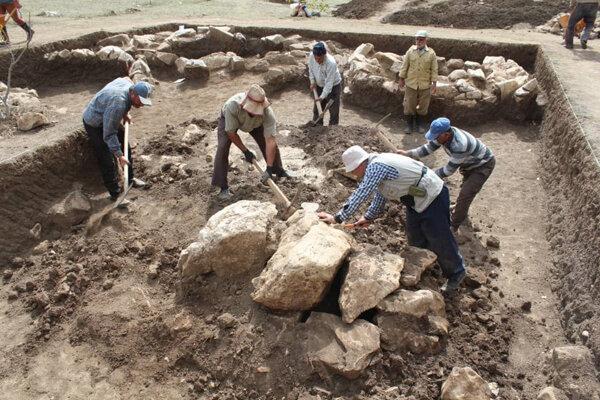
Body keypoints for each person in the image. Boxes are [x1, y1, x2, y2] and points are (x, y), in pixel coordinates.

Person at [318, 145, 466, 293]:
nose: (354, 174)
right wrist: (369, 216)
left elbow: (361, 193)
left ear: (359, 164)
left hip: (433, 195)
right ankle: (425, 265)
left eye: (353, 170)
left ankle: (456, 273)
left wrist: (337, 218)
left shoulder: (376, 167)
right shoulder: (376, 167)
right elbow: (381, 194)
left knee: (439, 236)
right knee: (415, 235)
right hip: (416, 199)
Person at [398, 117, 495, 232]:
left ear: (446, 134)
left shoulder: (460, 145)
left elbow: (449, 171)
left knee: (466, 194)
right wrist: (407, 153)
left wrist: (428, 176)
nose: (435, 139)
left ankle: (453, 226)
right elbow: (428, 148)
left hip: (482, 165)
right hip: (468, 164)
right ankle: (459, 209)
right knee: (465, 190)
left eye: (436, 136)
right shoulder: (442, 136)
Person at [212, 84, 291, 199]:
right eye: (253, 110)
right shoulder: (232, 106)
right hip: (231, 119)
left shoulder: (267, 113)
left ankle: (278, 170)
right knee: (223, 147)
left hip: (256, 125)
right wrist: (245, 151)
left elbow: (270, 141)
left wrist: (268, 167)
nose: (255, 113)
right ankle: (222, 187)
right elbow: (231, 133)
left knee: (267, 143)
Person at [82, 77, 151, 201]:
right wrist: (119, 156)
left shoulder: (128, 85)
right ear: (133, 93)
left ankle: (129, 180)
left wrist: (124, 114)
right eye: (140, 101)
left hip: (108, 114)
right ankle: (116, 194)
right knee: (106, 158)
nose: (142, 104)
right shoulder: (118, 104)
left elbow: (125, 78)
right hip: (95, 123)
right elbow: (109, 134)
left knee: (126, 146)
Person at [398, 30, 438, 135]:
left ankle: (419, 125)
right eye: (417, 39)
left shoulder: (431, 53)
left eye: (421, 39)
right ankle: (409, 125)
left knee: (423, 106)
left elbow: (434, 69)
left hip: (425, 85)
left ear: (425, 40)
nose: (419, 41)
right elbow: (405, 65)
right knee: (409, 105)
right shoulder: (410, 51)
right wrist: (401, 79)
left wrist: (434, 83)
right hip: (411, 84)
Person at [308, 42, 343, 126]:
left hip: (334, 87)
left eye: (319, 59)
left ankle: (333, 131)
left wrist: (322, 97)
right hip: (319, 86)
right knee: (317, 110)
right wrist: (312, 82)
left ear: (324, 55)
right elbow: (311, 69)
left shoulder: (331, 63)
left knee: (334, 112)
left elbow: (329, 83)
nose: (317, 61)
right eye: (316, 58)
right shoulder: (312, 56)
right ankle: (317, 128)